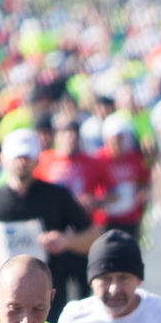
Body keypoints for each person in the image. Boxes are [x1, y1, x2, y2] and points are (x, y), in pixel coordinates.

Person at [0, 129, 99, 323]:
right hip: (3, 301)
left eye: (27, 157)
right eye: (16, 157)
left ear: (37, 159)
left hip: (48, 301)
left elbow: (93, 236)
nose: (21, 162)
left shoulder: (56, 195)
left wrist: (66, 241)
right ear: (3, 159)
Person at [36, 113, 103, 304]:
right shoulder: (44, 161)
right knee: (55, 291)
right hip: (53, 235)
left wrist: (96, 201)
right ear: (56, 136)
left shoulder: (92, 162)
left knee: (83, 290)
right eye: (66, 133)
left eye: (75, 133)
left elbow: (112, 192)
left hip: (82, 234)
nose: (71, 137)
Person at [93, 114, 151, 235]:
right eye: (114, 138)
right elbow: (90, 193)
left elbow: (144, 181)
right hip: (106, 220)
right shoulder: (98, 161)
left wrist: (142, 192)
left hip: (130, 218)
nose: (117, 142)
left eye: (121, 138)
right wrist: (106, 199)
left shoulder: (135, 159)